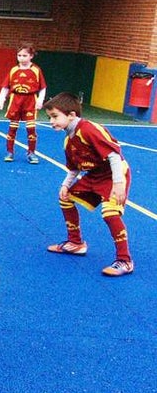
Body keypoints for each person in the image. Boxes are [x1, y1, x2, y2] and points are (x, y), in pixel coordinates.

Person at [42, 92, 134, 276]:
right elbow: (74, 169)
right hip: (94, 176)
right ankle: (76, 243)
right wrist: (65, 185)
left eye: (55, 116)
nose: (51, 121)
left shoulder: (89, 129)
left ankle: (125, 260)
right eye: (49, 117)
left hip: (113, 175)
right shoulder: (68, 141)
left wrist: (118, 183)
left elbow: (114, 155)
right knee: (65, 198)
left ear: (71, 115)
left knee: (110, 214)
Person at [0, 43, 47, 163]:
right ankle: (9, 152)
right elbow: (6, 87)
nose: (21, 58)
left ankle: (31, 153)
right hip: (15, 100)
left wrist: (40, 100)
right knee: (13, 128)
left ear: (31, 56)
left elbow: (43, 87)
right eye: (19, 55)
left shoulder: (36, 70)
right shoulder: (14, 70)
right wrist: (1, 100)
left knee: (31, 128)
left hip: (30, 100)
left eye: (24, 55)